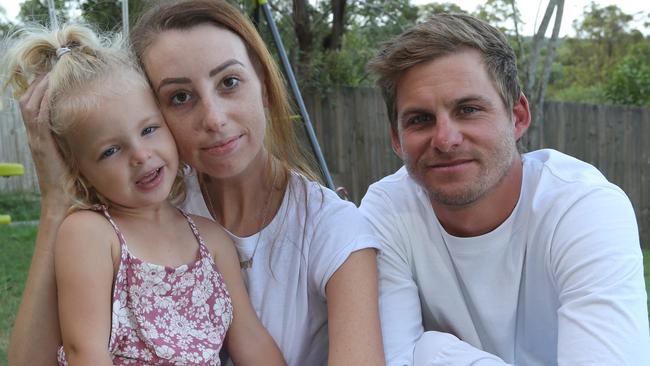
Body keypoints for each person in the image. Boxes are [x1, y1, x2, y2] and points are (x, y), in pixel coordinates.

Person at [7, 1, 384, 365]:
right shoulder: (114, 222)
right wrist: (56, 199)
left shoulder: (324, 231)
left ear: (266, 86)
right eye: (181, 96)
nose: (214, 118)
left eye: (230, 81)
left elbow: (251, 340)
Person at [360, 13, 650, 366]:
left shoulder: (583, 207)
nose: (446, 139)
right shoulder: (387, 209)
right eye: (420, 119)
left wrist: (435, 351)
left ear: (518, 117)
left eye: (468, 109)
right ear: (396, 139)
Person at [3, 22, 286, 366]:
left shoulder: (211, 239)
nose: (139, 154)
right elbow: (85, 351)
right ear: (80, 173)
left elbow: (251, 341)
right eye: (110, 151)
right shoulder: (91, 234)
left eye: (149, 129)